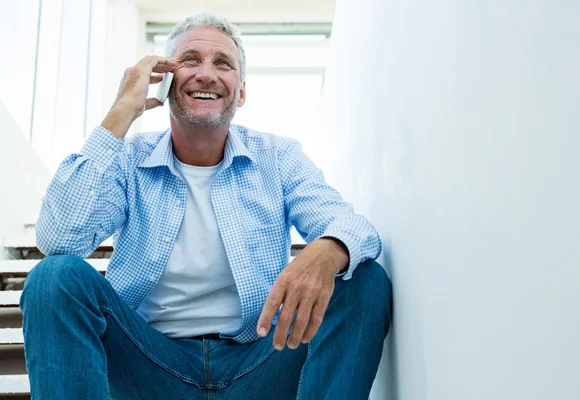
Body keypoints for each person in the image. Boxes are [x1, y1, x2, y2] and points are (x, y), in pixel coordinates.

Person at [20, 12, 392, 400]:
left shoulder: (278, 157)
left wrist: (328, 249)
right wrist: (122, 112)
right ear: (164, 81)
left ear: (241, 92)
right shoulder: (128, 161)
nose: (206, 74)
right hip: (150, 366)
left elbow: (351, 225)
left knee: (362, 279)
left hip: (261, 362)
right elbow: (58, 239)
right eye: (190, 60)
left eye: (223, 64)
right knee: (54, 277)